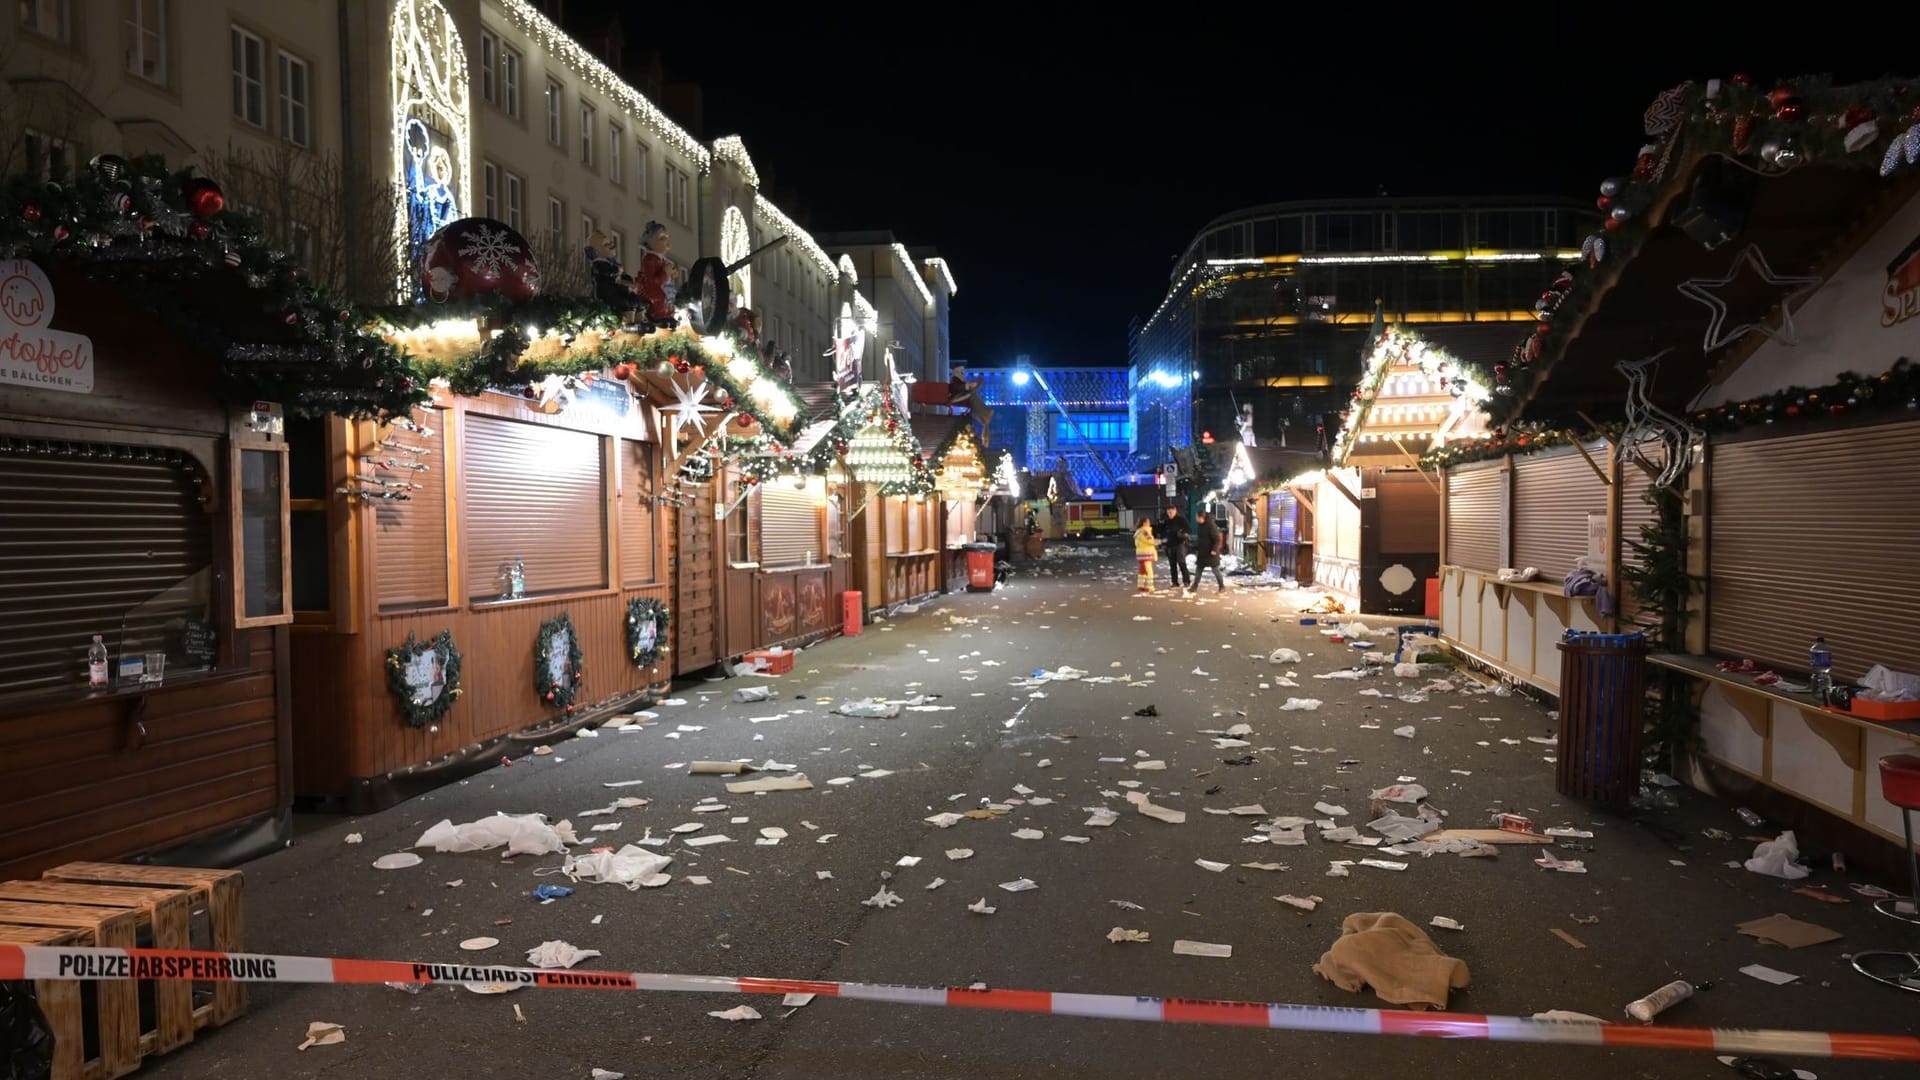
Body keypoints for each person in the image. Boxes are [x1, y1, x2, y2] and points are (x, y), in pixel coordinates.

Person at [947, 363, 994, 445]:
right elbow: (958, 388)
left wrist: (971, 386)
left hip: (962, 398)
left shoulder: (957, 379)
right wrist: (969, 386)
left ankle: (985, 417)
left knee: (972, 397)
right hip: (957, 399)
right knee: (972, 397)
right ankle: (986, 415)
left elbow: (961, 387)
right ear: (957, 371)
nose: (962, 373)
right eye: (961, 371)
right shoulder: (955, 379)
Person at [1155, 506, 1191, 590]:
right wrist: (1160, 523)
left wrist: (1183, 534)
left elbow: (1188, 530)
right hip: (1169, 545)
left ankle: (1186, 581)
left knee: (1182, 563)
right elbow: (1158, 531)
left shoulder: (1181, 520)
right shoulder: (1166, 521)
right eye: (1168, 512)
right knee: (1172, 565)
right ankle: (1175, 582)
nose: (1170, 514)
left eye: (1171, 512)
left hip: (1179, 544)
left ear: (1175, 511)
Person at [1193, 510, 1227, 592]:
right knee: (1199, 569)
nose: (1195, 518)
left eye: (1196, 517)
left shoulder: (1211, 525)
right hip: (1202, 552)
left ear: (1201, 517)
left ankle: (1222, 587)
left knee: (1215, 569)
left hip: (1211, 553)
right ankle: (1194, 586)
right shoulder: (1200, 525)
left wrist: (1214, 549)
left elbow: (1217, 539)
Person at [1132, 517, 1160, 592]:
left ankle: (1141, 585)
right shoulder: (1144, 531)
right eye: (1148, 522)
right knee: (1149, 571)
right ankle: (1149, 586)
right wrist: (1159, 541)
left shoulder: (1138, 531)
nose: (1149, 523)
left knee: (1142, 570)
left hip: (1141, 554)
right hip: (1146, 554)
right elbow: (1150, 541)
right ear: (1144, 523)